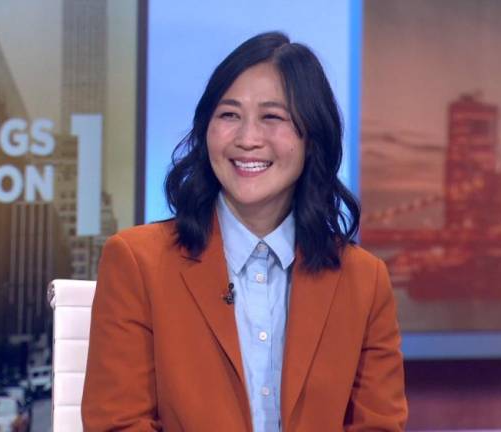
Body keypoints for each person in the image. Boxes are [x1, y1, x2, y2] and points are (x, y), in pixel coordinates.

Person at [82, 31, 407, 431]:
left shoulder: (364, 281)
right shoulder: (137, 263)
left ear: (313, 138)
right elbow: (118, 422)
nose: (247, 139)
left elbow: (378, 425)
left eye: (272, 117)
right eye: (229, 115)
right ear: (206, 129)